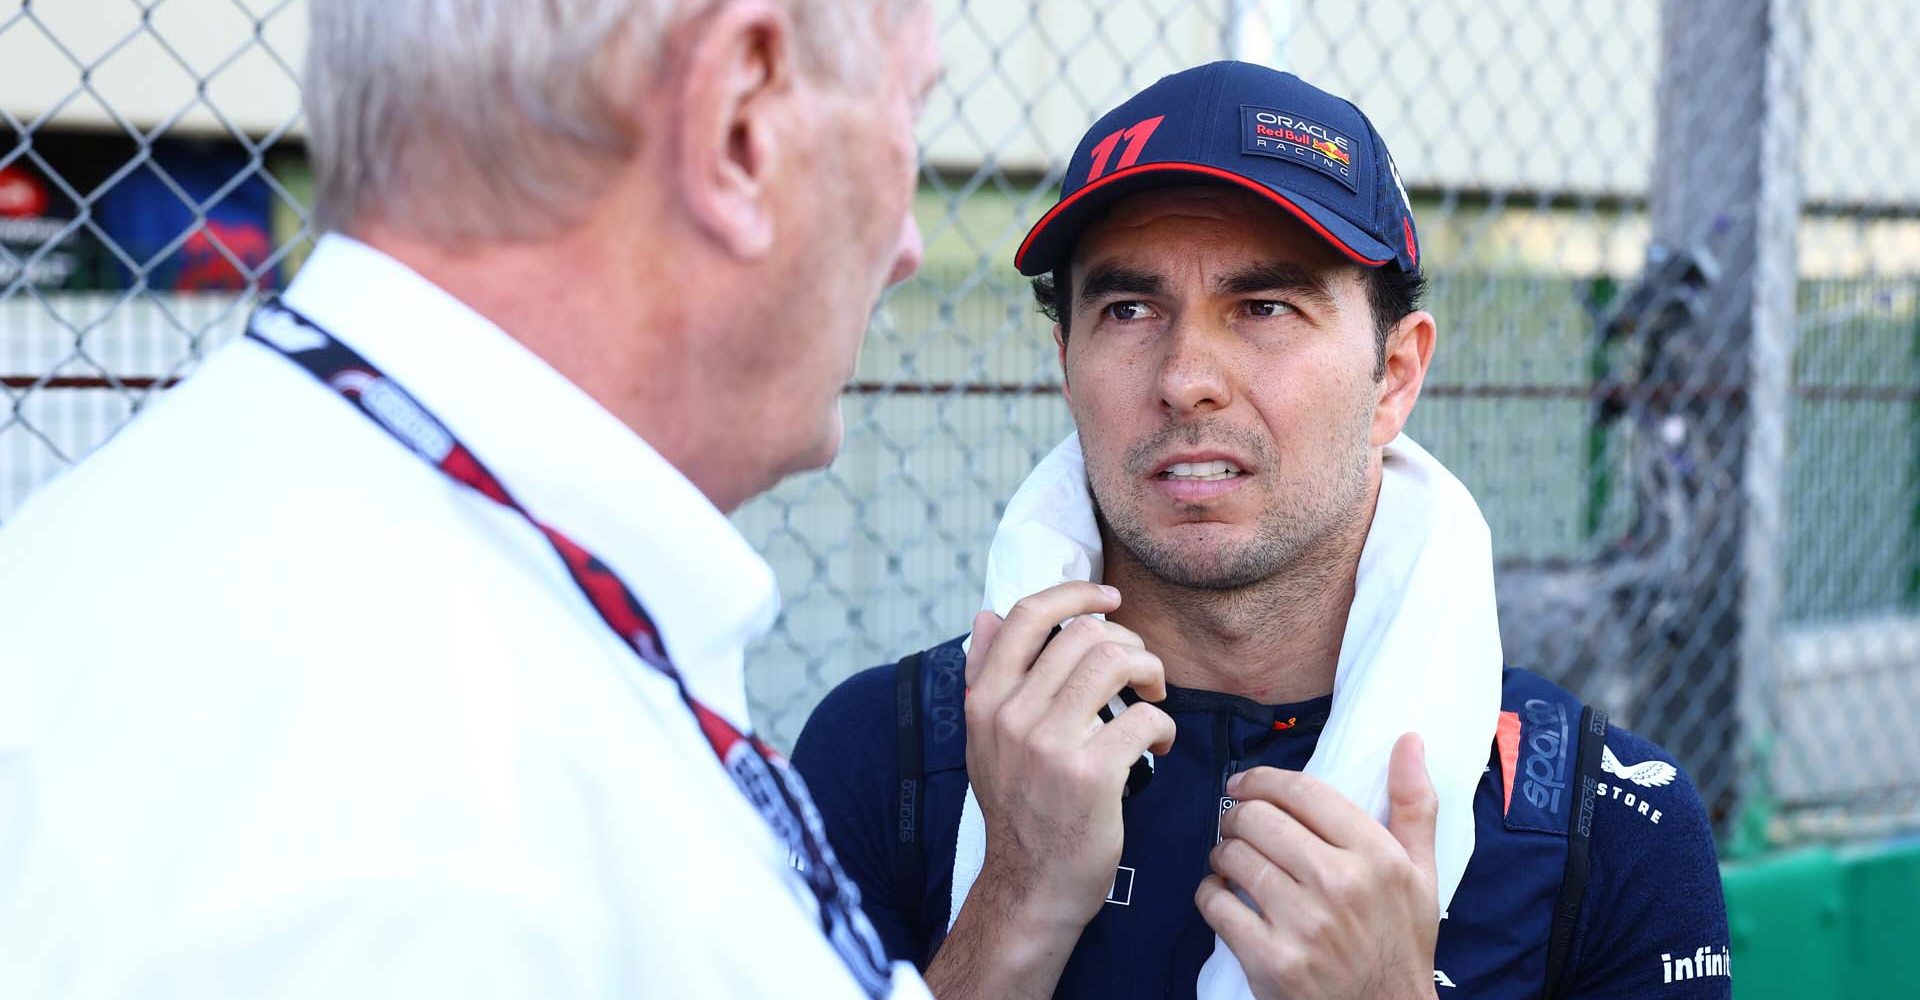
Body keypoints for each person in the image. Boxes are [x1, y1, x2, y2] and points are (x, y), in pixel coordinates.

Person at [0, 1, 939, 997]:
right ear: (743, 123)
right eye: (908, 121)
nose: (910, 244)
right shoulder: (453, 835)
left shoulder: (179, 524)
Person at [792, 61, 1732, 1000]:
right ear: (1065, 362)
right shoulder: (894, 753)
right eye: (1128, 309)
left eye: (1264, 308)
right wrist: (1014, 898)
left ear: (1395, 376)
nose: (1186, 375)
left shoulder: (1606, 824)